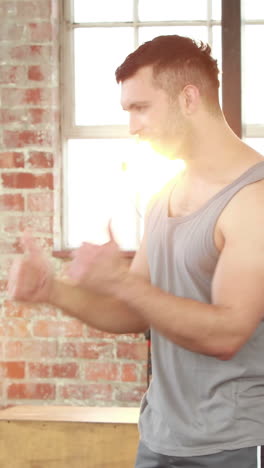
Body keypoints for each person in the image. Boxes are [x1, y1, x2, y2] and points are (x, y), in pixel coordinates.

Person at [8, 34, 264, 468]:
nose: (132, 126)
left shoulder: (253, 201)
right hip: (160, 438)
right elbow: (137, 310)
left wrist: (121, 281)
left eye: (140, 108)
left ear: (188, 98)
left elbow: (226, 335)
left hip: (233, 445)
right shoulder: (163, 196)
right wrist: (51, 290)